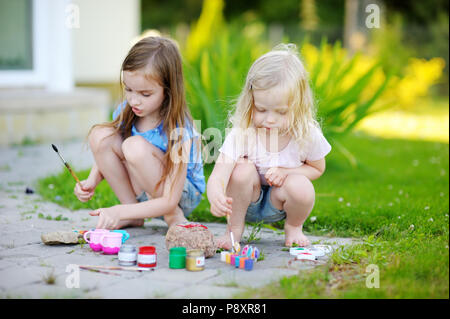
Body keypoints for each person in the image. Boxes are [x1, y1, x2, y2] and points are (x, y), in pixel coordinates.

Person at [207, 44, 331, 248]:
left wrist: (287, 171)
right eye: (261, 109)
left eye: (281, 112)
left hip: (279, 202)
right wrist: (216, 196)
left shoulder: (306, 134)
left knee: (302, 186)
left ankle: (293, 227)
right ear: (251, 101)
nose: (270, 120)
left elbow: (317, 168)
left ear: (298, 107)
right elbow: (218, 176)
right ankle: (233, 231)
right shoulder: (243, 132)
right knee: (243, 169)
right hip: (245, 202)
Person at [74, 36, 205, 230]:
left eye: (145, 94)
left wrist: (118, 211)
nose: (134, 100)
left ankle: (173, 217)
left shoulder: (180, 130)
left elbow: (170, 198)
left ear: (168, 91)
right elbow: (107, 149)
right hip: (143, 187)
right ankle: (133, 212)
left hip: (179, 196)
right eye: (129, 89)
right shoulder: (127, 110)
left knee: (133, 146)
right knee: (101, 135)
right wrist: (92, 180)